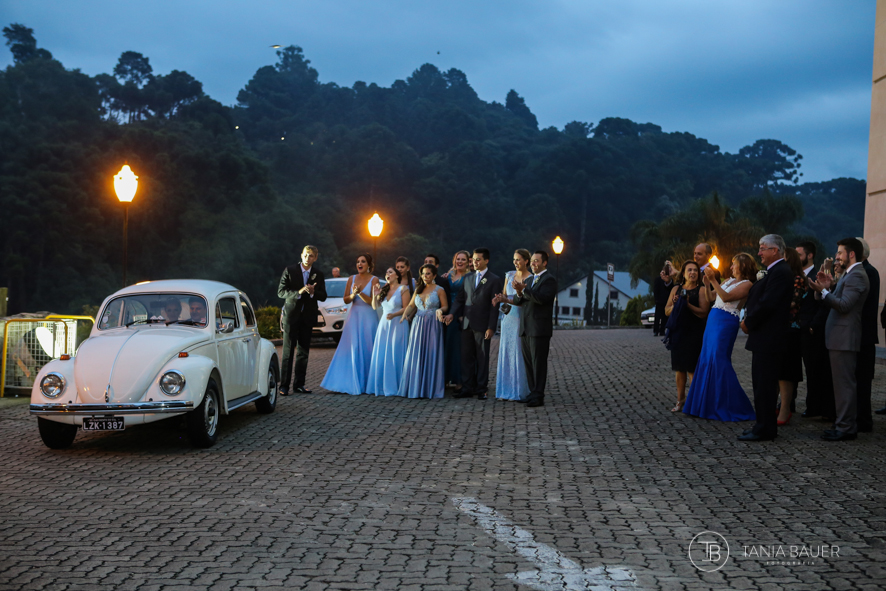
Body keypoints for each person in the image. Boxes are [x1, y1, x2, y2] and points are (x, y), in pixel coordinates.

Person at [808, 238, 870, 441]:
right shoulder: (848, 275)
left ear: (851, 254)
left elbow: (844, 305)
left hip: (844, 337)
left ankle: (846, 427)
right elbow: (834, 300)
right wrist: (828, 287)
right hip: (838, 337)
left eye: (840, 253)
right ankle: (842, 423)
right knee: (840, 385)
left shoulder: (858, 275)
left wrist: (823, 291)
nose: (836, 257)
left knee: (844, 385)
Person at [682, 254, 756, 421]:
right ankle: (703, 405)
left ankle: (733, 404)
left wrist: (713, 279)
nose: (731, 267)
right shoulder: (728, 280)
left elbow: (727, 297)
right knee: (707, 358)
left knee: (719, 359)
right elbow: (711, 297)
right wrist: (708, 284)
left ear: (742, 266)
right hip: (713, 319)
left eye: (734, 264)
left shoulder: (747, 284)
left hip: (726, 321)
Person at [738, 234, 794, 442]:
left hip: (769, 337)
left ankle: (765, 429)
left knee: (765, 386)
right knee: (760, 384)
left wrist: (748, 322)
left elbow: (768, 303)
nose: (759, 253)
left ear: (775, 251)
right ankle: (761, 423)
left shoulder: (780, 272)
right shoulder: (773, 271)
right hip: (764, 338)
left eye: (763, 248)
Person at [444, 248, 503, 400]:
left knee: (482, 358)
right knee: (466, 357)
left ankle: (481, 389)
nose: (475, 262)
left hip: (483, 325)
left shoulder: (494, 279)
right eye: (474, 259)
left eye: (478, 259)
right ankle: (467, 387)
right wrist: (451, 313)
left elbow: (494, 306)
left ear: (486, 261)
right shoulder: (468, 277)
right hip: (466, 324)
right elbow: (460, 299)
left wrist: (491, 327)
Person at [320, 254, 380, 395]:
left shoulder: (374, 279)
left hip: (369, 317)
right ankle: (347, 381)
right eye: (358, 261)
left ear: (369, 265)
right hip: (354, 317)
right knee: (352, 347)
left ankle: (368, 383)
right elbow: (346, 299)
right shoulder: (351, 278)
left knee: (368, 347)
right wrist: (353, 295)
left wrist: (360, 293)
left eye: (363, 262)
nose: (359, 264)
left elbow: (373, 303)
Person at [508, 250, 557, 407]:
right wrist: (518, 291)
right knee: (529, 363)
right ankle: (532, 391)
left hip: (539, 328)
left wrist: (524, 290)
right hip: (526, 328)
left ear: (544, 263)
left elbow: (541, 299)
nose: (534, 264)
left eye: (537, 261)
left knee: (538, 363)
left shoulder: (549, 280)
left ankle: (538, 395)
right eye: (533, 261)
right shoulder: (529, 281)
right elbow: (518, 300)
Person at [278, 245, 328, 395]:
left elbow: (324, 295)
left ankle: (299, 384)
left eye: (311, 255)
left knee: (303, 352)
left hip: (307, 317)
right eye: (306, 255)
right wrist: (298, 292)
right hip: (291, 316)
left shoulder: (318, 274)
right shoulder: (290, 270)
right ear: (301, 255)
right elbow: (280, 292)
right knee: (287, 352)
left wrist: (313, 293)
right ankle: (284, 386)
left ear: (315, 258)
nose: (308, 258)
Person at [795, 241, 835, 419]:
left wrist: (813, 325)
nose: (796, 258)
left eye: (799, 254)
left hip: (811, 329)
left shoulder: (818, 274)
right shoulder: (794, 274)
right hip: (794, 328)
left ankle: (815, 406)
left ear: (809, 255)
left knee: (814, 370)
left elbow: (823, 303)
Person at [663, 261, 709, 412]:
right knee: (679, 368)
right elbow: (666, 311)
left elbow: (703, 312)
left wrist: (687, 305)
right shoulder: (676, 289)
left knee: (692, 368)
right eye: (689, 270)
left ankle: (694, 402)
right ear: (683, 273)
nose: (692, 273)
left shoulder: (701, 290)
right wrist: (677, 305)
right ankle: (680, 399)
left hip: (694, 332)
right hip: (678, 332)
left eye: (695, 270)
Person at [397, 264, 448, 399]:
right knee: (417, 353)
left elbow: (445, 306)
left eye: (428, 274)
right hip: (418, 324)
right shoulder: (418, 289)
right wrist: (404, 315)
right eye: (423, 274)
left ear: (434, 275)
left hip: (433, 324)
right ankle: (415, 387)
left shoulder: (439, 290)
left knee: (431, 353)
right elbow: (411, 305)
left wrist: (440, 310)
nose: (425, 276)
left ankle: (429, 388)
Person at [493, 249, 532, 401]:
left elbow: (527, 300)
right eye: (514, 259)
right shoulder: (509, 275)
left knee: (518, 352)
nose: (515, 262)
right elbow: (504, 294)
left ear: (526, 261)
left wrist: (512, 297)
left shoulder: (531, 278)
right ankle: (505, 390)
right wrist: (499, 298)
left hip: (520, 317)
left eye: (518, 259)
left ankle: (519, 390)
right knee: (506, 351)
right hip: (507, 317)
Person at [366, 267, 410, 397]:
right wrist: (375, 295)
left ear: (397, 275)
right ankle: (382, 386)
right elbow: (375, 306)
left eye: (390, 272)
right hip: (384, 326)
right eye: (386, 272)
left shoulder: (403, 289)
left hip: (398, 324)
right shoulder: (384, 290)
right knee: (383, 354)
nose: (387, 274)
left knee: (395, 353)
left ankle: (397, 385)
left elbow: (407, 307)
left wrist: (394, 314)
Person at [775, 248, 807, 426]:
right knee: (777, 370)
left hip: (791, 329)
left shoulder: (798, 279)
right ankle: (778, 405)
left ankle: (786, 408)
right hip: (778, 328)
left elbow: (793, 302)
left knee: (786, 371)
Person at [855, 238, 880, 432]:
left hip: (862, 334)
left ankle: (863, 419)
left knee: (862, 380)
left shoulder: (868, 272)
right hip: (858, 333)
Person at [443, 251, 471, 393]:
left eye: (463, 259)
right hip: (446, 312)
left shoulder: (470, 276)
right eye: (458, 259)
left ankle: (459, 379)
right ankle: (445, 378)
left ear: (468, 262)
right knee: (446, 345)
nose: (460, 262)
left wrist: (462, 315)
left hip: (460, 313)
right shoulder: (448, 276)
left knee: (458, 348)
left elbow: (469, 298)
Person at [653, 262, 675, 336]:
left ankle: (662, 330)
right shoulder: (658, 279)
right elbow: (655, 290)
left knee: (665, 317)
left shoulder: (671, 280)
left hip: (667, 301)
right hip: (659, 301)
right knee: (657, 317)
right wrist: (656, 299)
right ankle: (656, 330)